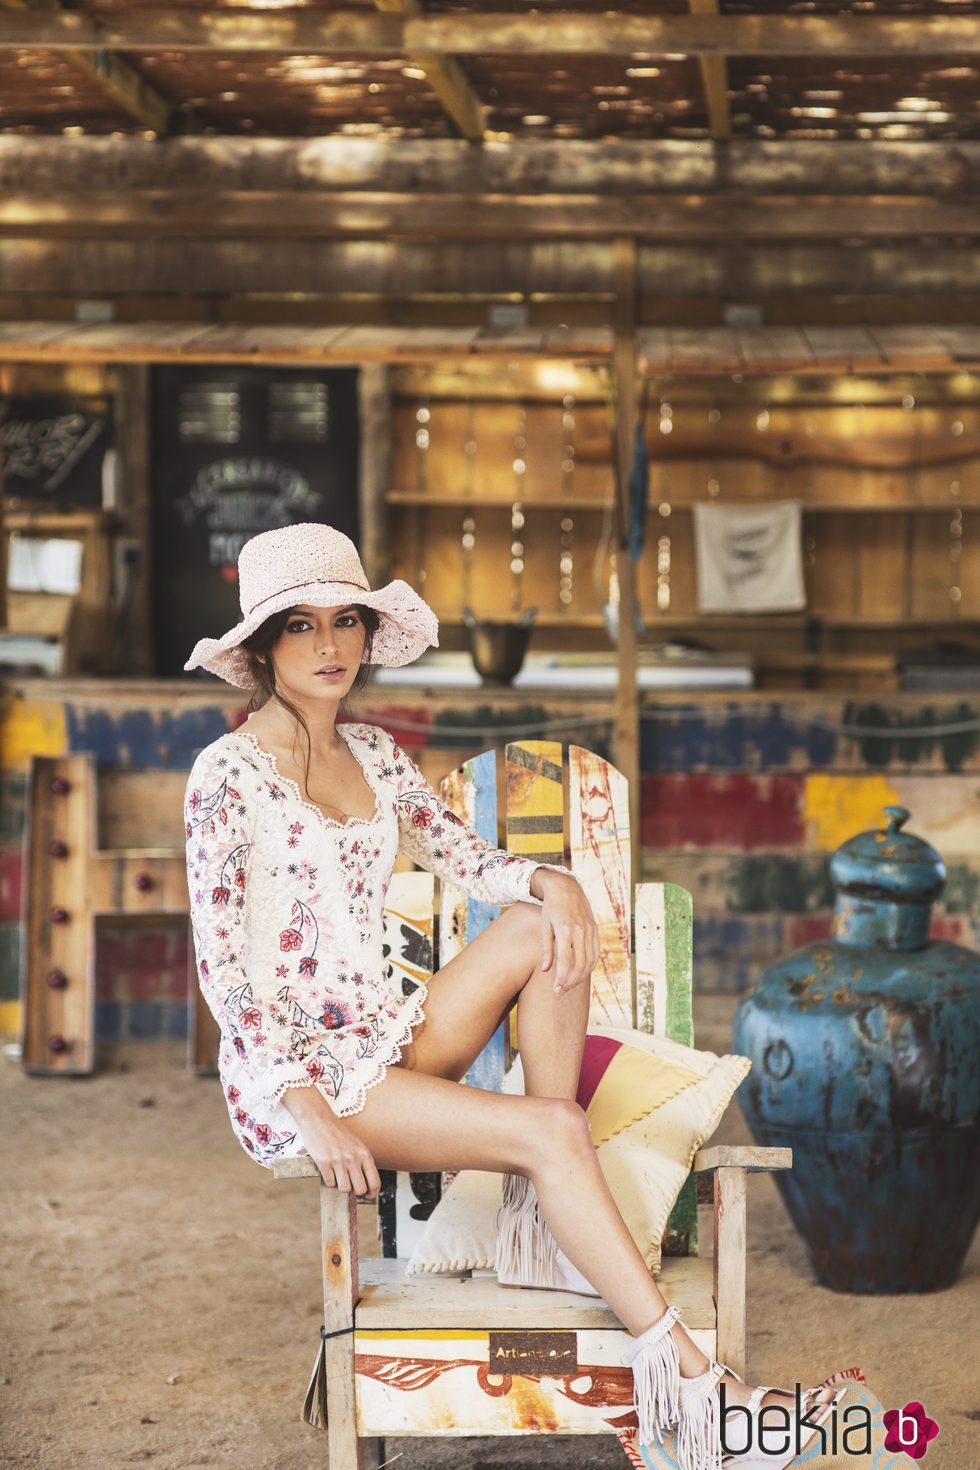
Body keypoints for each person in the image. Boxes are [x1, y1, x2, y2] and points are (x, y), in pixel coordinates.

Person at [183, 523, 840, 1470]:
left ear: (368, 634)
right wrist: (306, 1108)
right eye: (299, 627)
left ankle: (544, 1225)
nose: (328, 647)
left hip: (388, 1032)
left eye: (345, 622)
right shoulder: (228, 776)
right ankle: (699, 1395)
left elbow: (466, 856)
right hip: (306, 1078)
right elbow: (223, 965)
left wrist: (550, 883)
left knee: (542, 931)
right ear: (258, 650)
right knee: (553, 1130)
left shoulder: (370, 753)